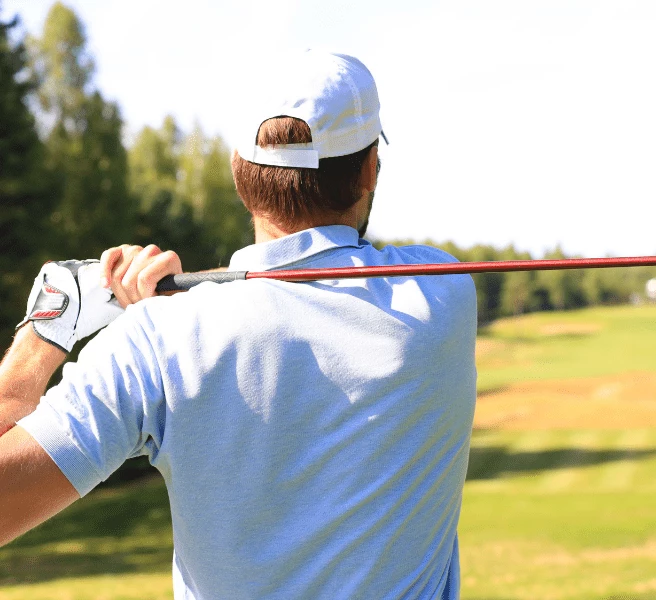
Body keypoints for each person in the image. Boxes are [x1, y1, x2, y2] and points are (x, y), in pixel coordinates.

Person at [0, 51, 477, 599]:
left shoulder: (158, 341)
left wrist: (47, 330)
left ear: (238, 171)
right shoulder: (443, 295)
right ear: (369, 169)